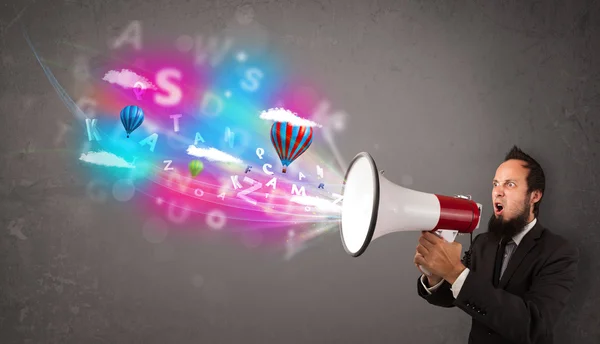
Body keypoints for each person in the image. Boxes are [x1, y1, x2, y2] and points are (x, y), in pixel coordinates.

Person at [414, 145, 579, 344]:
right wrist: (435, 275)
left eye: (509, 185)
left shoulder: (558, 252)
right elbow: (452, 296)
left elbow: (535, 327)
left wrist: (455, 272)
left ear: (535, 196)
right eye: (495, 184)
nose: (497, 192)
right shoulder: (483, 243)